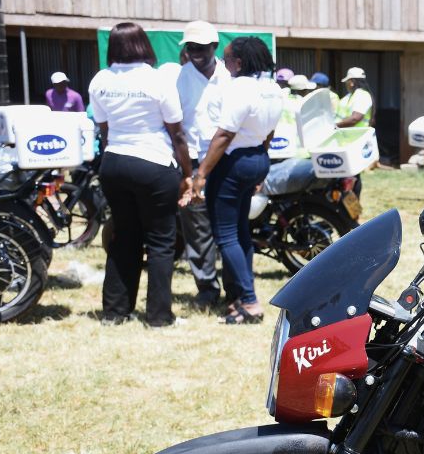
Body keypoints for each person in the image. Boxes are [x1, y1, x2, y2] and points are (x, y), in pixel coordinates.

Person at [89, 22, 192, 327]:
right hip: (153, 163)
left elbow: (104, 129)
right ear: (144, 45)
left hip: (114, 162)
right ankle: (159, 317)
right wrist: (187, 174)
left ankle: (114, 312)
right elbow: (177, 134)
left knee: (124, 237)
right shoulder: (157, 80)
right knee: (161, 242)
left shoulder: (100, 80)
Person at [193, 37, 281, 324]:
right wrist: (260, 166)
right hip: (257, 158)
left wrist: (201, 173)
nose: (223, 62)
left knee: (226, 235)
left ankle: (250, 301)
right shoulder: (272, 88)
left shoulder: (239, 88)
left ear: (239, 62)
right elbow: (269, 133)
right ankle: (243, 298)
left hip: (233, 162)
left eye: (226, 58)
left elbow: (223, 135)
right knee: (241, 232)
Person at [169, 20, 231, 308]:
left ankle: (234, 288)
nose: (195, 52)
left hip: (225, 160)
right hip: (193, 162)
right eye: (191, 47)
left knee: (229, 227)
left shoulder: (230, 77)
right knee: (197, 228)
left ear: (214, 47)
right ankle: (207, 288)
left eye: (201, 47)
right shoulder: (181, 77)